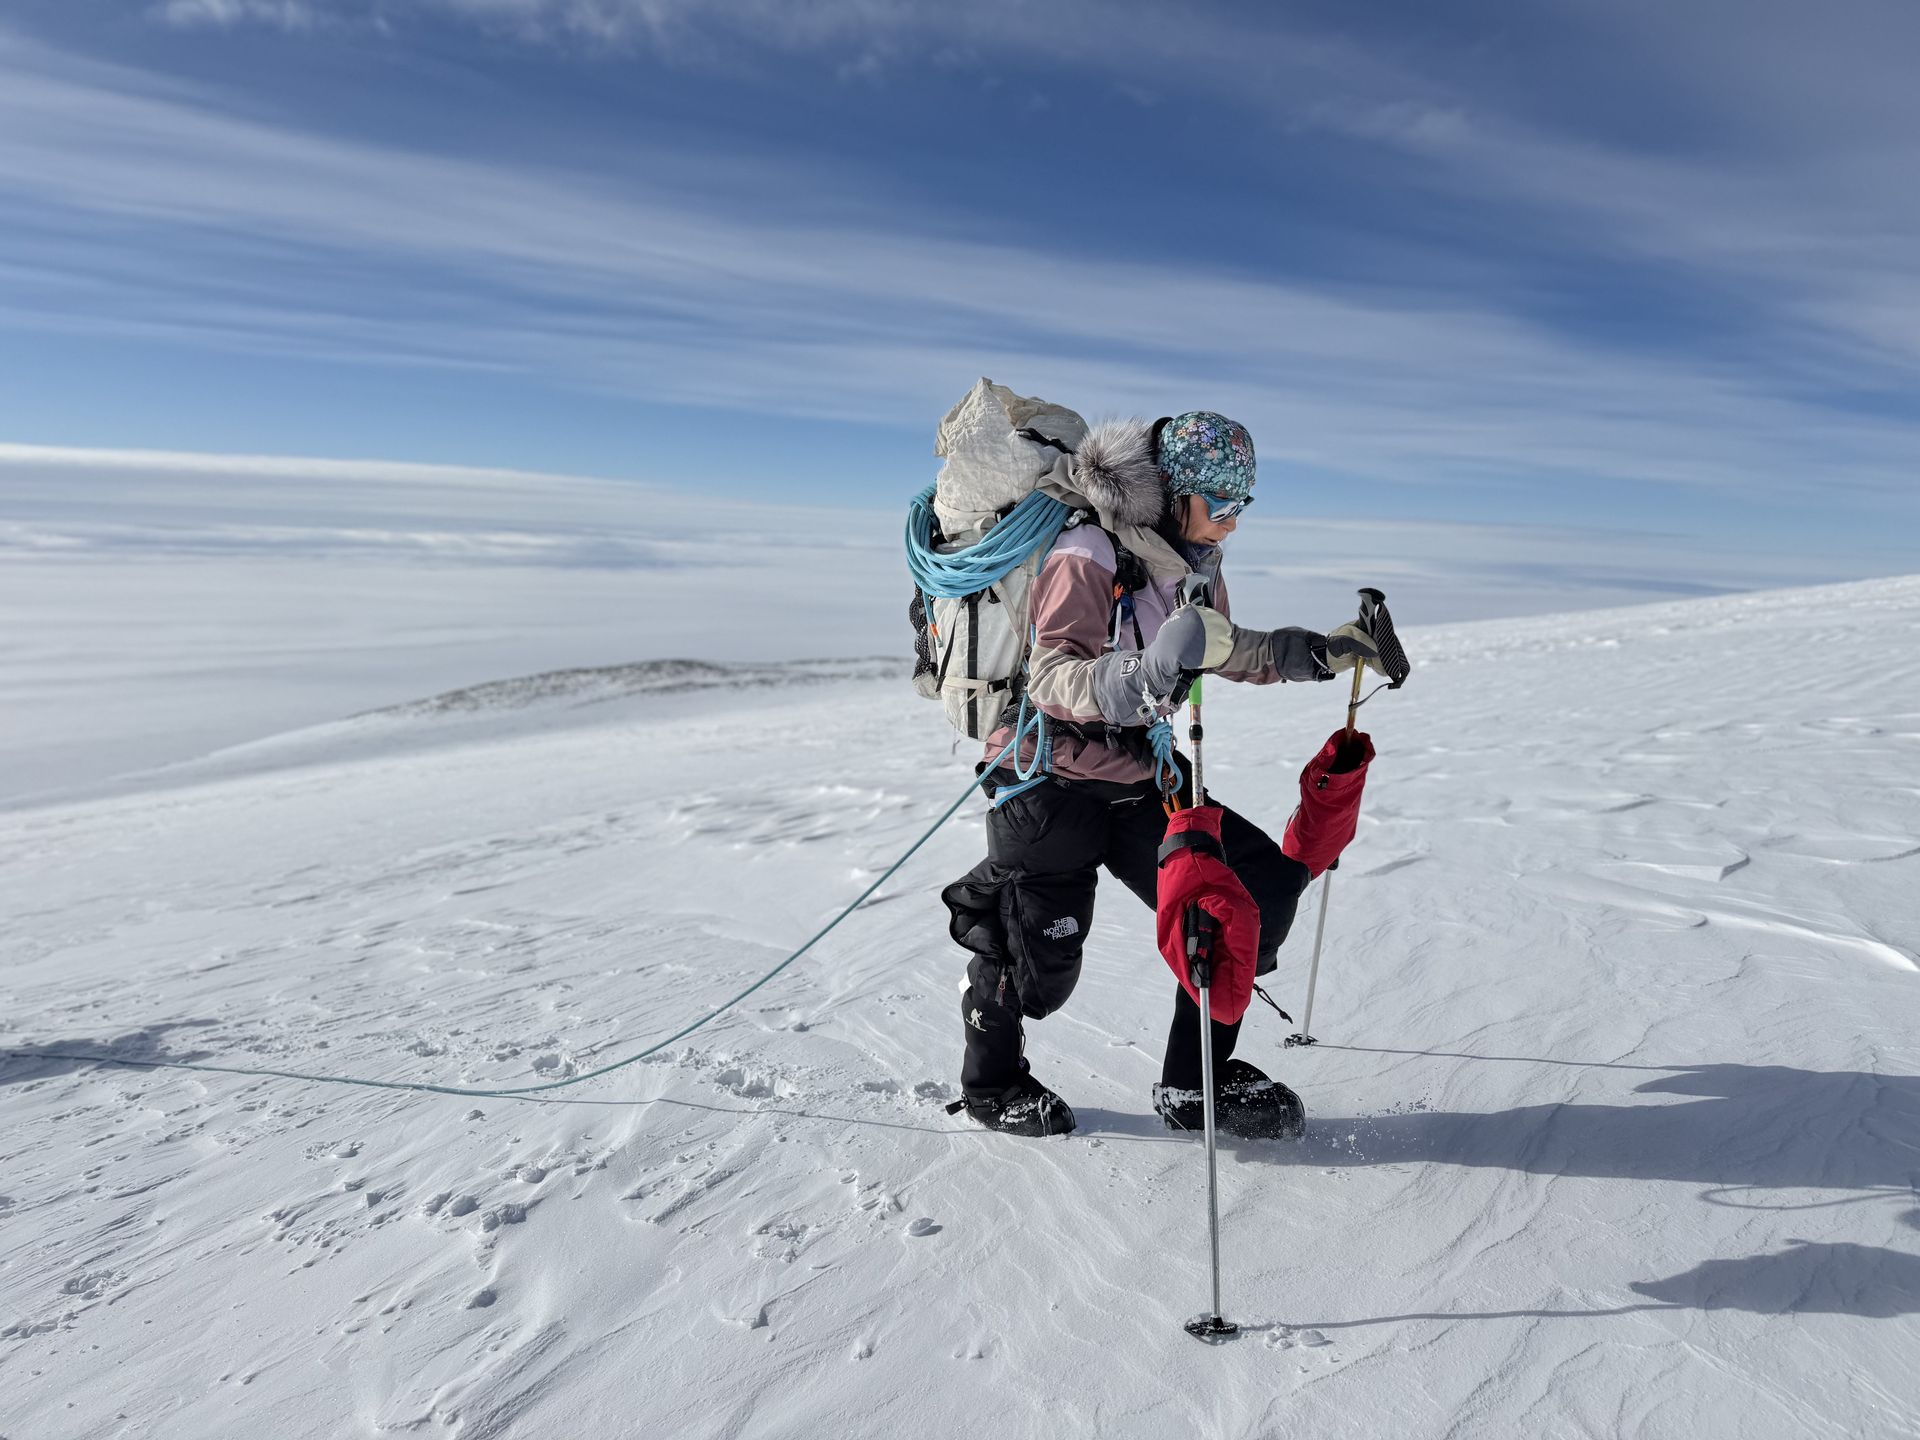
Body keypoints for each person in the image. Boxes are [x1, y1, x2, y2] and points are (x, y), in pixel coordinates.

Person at [941, 411, 1379, 1138]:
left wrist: (1312, 653)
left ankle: (1194, 1084)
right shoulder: (1087, 551)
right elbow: (1052, 678)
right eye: (1222, 503)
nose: (1233, 522)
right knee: (1039, 952)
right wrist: (1145, 673)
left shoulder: (1193, 563)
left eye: (1243, 504)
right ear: (1176, 496)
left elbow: (1217, 647)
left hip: (1141, 776)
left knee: (1253, 895)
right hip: (1047, 775)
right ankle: (992, 1086)